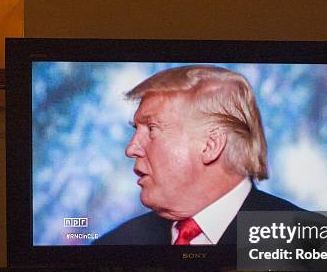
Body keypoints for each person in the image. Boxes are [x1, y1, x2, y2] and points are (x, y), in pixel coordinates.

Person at [96, 65, 303, 246]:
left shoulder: (307, 242)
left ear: (211, 144)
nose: (131, 149)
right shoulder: (116, 243)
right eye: (136, 130)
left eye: (151, 128)